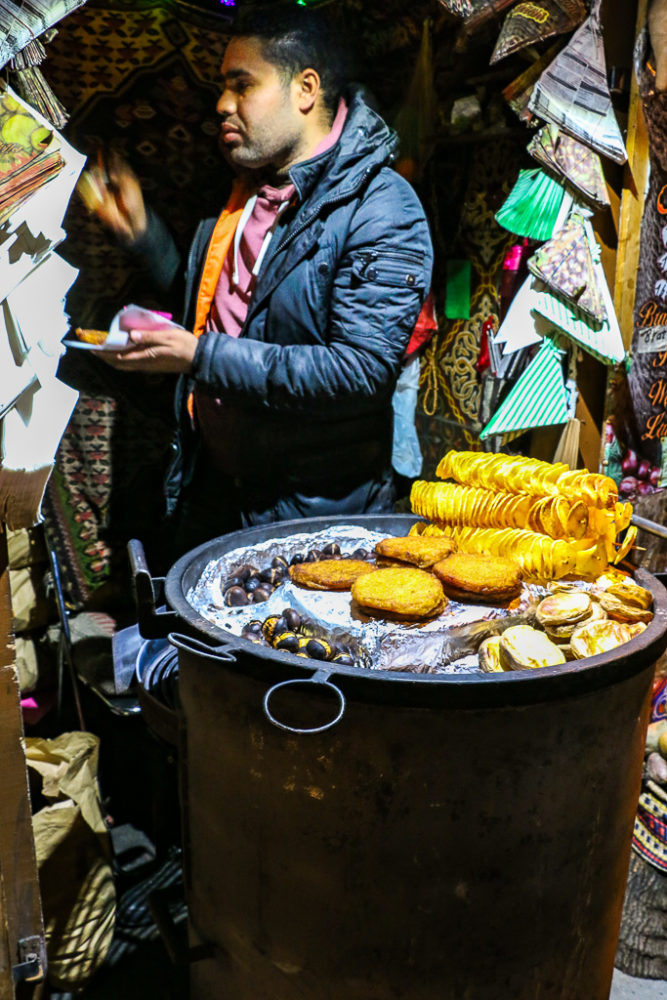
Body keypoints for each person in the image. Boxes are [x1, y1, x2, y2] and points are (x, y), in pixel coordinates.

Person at [85, 5, 433, 560]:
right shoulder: (237, 194)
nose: (222, 104)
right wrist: (144, 235)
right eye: (223, 86)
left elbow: (359, 370)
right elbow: (220, 311)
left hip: (310, 520)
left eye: (242, 85)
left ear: (306, 89)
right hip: (217, 492)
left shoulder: (380, 207)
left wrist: (199, 356)